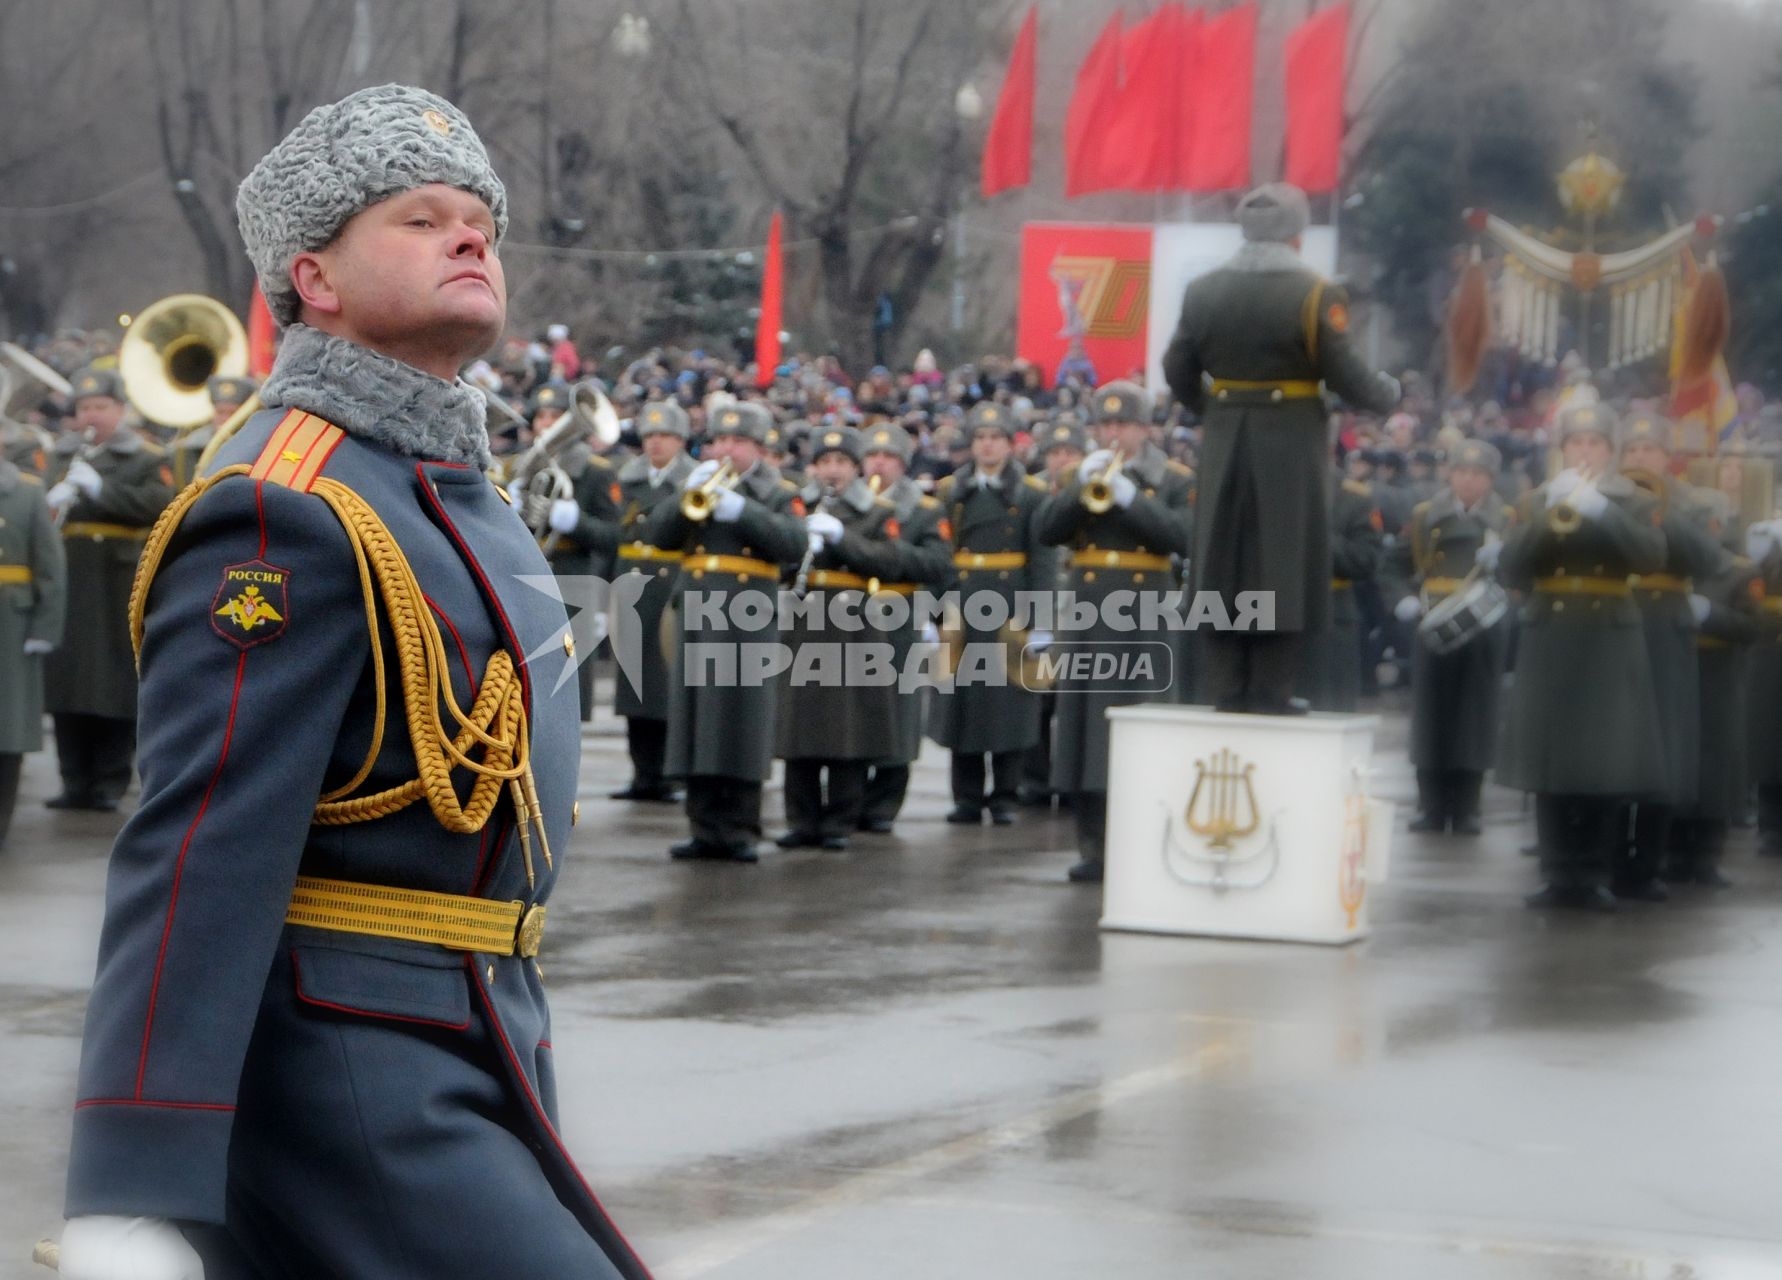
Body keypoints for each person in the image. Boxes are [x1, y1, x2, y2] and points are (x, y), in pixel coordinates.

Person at [54, 84, 651, 1279]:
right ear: (312, 277)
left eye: (479, 217)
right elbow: (197, 845)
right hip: (343, 1077)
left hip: (475, 1036)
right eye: (421, 219)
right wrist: (130, 1184)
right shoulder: (284, 504)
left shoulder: (447, 490)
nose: (473, 236)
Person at [1161, 182, 1400, 713]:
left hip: (1225, 439)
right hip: (1290, 444)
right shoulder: (1315, 293)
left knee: (1222, 558)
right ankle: (1270, 690)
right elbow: (1347, 374)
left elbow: (1176, 368)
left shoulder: (1202, 291)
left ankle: (1227, 687)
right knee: (1282, 561)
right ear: (1296, 237)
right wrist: (1388, 394)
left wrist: (1215, 409)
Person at [1496, 403, 1666, 910]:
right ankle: (1557, 872)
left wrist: (1600, 510)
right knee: (1551, 759)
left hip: (1608, 635)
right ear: (1563, 449)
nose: (1585, 450)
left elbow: (1650, 556)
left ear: (1609, 452)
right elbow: (1511, 566)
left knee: (1603, 759)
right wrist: (1549, 515)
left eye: (1595, 443)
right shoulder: (1537, 500)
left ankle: (1593, 872)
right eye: (1577, 442)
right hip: (1551, 630)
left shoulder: (1634, 499)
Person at [1036, 382, 1193, 882]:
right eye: (1105, 425)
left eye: (1123, 424)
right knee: (1084, 726)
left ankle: (1141, 844)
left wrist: (1130, 499)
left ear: (1146, 428)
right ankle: (1093, 846)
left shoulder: (1173, 478)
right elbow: (1046, 531)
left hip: (1142, 613)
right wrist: (1078, 490)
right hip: (1086, 610)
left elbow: (1184, 536)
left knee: (1137, 723)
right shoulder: (1083, 474)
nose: (1113, 434)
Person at [645, 399, 807, 862]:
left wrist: (744, 512)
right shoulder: (694, 483)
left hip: (746, 617)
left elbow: (794, 543)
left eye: (737, 441)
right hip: (696, 611)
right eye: (718, 440)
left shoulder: (776, 490)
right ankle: (703, 825)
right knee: (697, 717)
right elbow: (656, 535)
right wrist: (682, 499)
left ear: (758, 447)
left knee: (741, 718)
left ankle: (739, 827)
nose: (725, 449)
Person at [43, 366, 175, 811]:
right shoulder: (63, 455)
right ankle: (73, 778)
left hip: (116, 581)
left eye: (100, 406)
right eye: (84, 409)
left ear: (120, 409)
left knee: (113, 683)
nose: (92, 416)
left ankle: (109, 780)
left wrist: (102, 489)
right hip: (72, 578)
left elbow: (160, 506)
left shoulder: (145, 457)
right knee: (67, 684)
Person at [775, 426, 908, 850]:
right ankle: (801, 819)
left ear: (855, 468)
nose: (832, 471)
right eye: (824, 462)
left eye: (841, 463)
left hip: (854, 625)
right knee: (800, 724)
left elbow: (888, 561)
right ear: (813, 467)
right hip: (803, 620)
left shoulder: (876, 511)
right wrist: (799, 541)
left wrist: (841, 537)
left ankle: (840, 820)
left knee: (848, 725)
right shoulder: (795, 507)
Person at [926, 401, 1055, 824]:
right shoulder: (950, 491)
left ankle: (1004, 796)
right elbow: (938, 554)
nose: (987, 446)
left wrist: (1039, 619)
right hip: (961, 604)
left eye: (995, 438)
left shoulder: (1031, 494)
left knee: (1009, 704)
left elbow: (1043, 560)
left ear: (1010, 444)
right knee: (961, 701)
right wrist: (934, 614)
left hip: (1010, 605)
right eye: (980, 438)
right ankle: (965, 797)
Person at [1615, 413, 1721, 900]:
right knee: (1618, 747)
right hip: (1619, 625)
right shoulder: (1604, 497)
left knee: (1665, 749)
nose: (1640, 459)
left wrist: (1661, 511)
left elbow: (1707, 559)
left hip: (1669, 630)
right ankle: (1609, 862)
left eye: (1649, 450)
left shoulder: (1693, 503)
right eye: (1632, 451)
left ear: (1666, 456)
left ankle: (1650, 864)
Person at [1397, 439, 1516, 834]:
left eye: (1478, 474)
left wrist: (1506, 561)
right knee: (1432, 716)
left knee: (1475, 717)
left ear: (1490, 480)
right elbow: (1394, 564)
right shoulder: (1426, 515)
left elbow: (1521, 575)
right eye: (1461, 472)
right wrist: (1404, 599)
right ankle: (1430, 805)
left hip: (1483, 623)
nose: (1468, 480)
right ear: (1449, 473)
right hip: (1434, 616)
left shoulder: (1508, 520)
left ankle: (1467, 807)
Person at [857, 422, 952, 834]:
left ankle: (884, 803)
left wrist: (892, 554)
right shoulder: (850, 502)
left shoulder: (924, 509)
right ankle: (851, 793)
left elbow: (938, 564)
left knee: (900, 708)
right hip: (854, 614)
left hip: (900, 613)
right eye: (873, 456)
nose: (880, 463)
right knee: (856, 707)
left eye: (889, 457)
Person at [1670, 489, 1758, 888]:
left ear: (1716, 528)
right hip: (1677, 674)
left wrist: (1711, 613)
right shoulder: (1669, 569)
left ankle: (1706, 854)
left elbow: (1754, 627)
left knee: (1714, 770)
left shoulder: (1739, 572)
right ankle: (1671, 850)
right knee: (1677, 764)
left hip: (1718, 678)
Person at [609, 399, 695, 802]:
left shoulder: (693, 480)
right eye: (650, 436)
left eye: (665, 436)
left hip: (669, 583)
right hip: (632, 581)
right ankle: (642, 773)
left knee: (666, 684)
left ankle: (670, 773)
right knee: (635, 685)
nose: (656, 444)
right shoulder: (628, 478)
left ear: (680, 440)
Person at [522, 379, 620, 722]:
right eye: (541, 417)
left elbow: (612, 535)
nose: (547, 424)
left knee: (567, 687)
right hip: (525, 574)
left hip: (572, 579)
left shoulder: (595, 472)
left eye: (555, 415)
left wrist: (576, 522)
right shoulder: (518, 466)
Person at [0, 455, 64, 848]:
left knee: (7, 728)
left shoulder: (24, 491)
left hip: (10, 622)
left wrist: (45, 628)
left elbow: (50, 566)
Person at [1301, 466, 1383, 712]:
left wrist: (1317, 533)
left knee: (1330, 713)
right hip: (1270, 613)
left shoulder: (1353, 499)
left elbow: (1366, 560)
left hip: (1331, 615)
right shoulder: (1267, 485)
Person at [172, 374, 258, 489]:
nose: (225, 418)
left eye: (232, 413)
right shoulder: (191, 446)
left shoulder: (253, 444)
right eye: (220, 412)